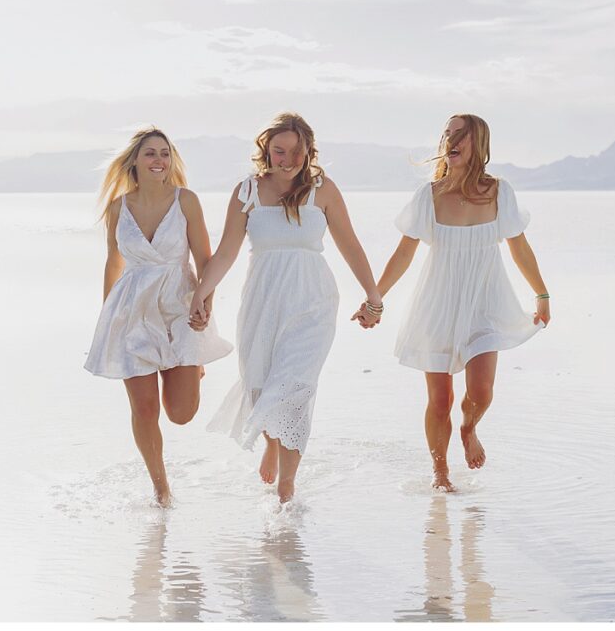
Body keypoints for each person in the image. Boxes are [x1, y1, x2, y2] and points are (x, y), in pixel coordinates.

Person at [189, 112, 382, 503]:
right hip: (262, 298)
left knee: (295, 387)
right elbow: (227, 250)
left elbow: (351, 245)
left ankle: (287, 485)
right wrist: (201, 293)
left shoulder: (323, 190)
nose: (288, 159)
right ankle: (272, 444)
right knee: (260, 385)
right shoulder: (247, 191)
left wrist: (373, 296)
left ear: (309, 150)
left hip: (312, 299)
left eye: (297, 151)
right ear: (266, 150)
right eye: (279, 151)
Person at [365, 114, 550, 491]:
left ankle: (469, 428)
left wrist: (542, 294)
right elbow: (403, 254)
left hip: (485, 303)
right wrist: (375, 297)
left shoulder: (500, 192)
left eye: (461, 136)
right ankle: (441, 472)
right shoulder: (429, 197)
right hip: (438, 304)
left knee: (481, 392)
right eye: (447, 134)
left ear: (478, 144)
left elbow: (520, 248)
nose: (451, 141)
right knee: (440, 399)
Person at [84, 127, 233, 507]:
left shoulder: (187, 201)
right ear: (134, 160)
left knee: (182, 413)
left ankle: (192, 364)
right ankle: (161, 489)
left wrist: (206, 304)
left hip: (179, 305)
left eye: (165, 154)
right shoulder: (117, 207)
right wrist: (108, 321)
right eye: (150, 153)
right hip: (131, 312)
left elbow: (205, 260)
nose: (159, 161)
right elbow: (113, 263)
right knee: (145, 408)